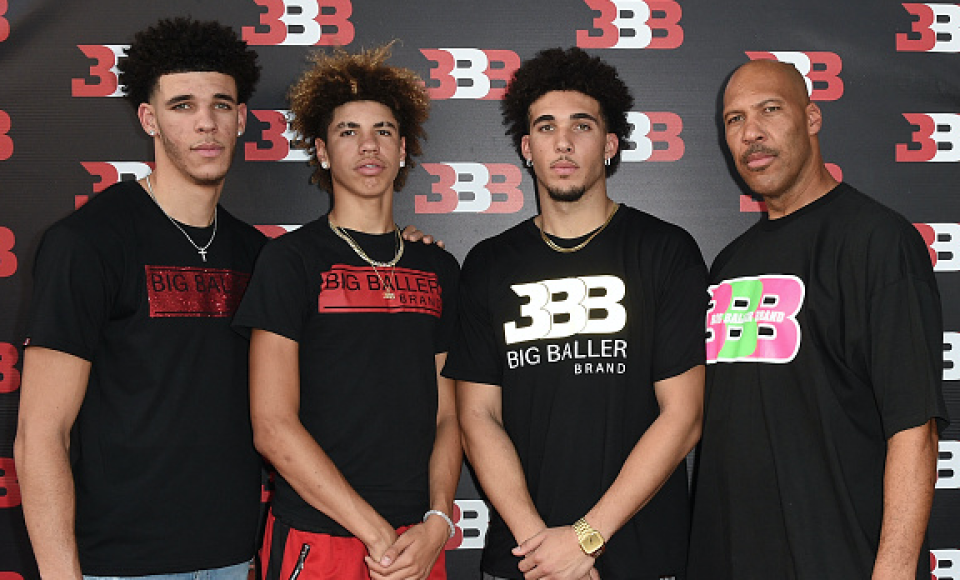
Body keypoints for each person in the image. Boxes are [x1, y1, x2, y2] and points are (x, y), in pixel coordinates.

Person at [15, 17, 265, 580]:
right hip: (120, 564)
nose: (206, 123)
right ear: (148, 118)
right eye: (182, 105)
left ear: (243, 118)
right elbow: (40, 433)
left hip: (234, 555)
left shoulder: (257, 253)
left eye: (222, 105)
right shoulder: (87, 242)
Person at [443, 47, 707, 580]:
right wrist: (542, 545)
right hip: (524, 560)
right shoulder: (490, 264)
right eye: (545, 127)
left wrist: (588, 537)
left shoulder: (665, 250)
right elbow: (477, 415)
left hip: (643, 559)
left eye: (581, 125)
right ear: (526, 148)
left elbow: (683, 416)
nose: (562, 142)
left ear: (609, 145)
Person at [687, 59, 949, 580]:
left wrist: (894, 572)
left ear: (811, 118)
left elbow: (913, 428)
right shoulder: (728, 264)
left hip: (839, 559)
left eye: (769, 110)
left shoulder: (879, 241)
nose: (751, 133)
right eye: (734, 119)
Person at [231, 44, 461, 580]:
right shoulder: (289, 260)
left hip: (419, 543)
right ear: (323, 151)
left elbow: (450, 415)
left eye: (382, 130)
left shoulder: (439, 269)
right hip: (320, 536)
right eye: (348, 131)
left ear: (404, 149)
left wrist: (436, 522)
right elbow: (271, 425)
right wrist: (377, 532)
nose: (368, 145)